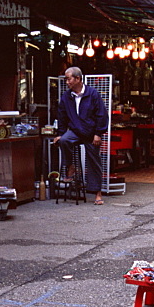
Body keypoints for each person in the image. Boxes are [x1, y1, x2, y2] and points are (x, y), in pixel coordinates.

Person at [54, 67, 108, 205]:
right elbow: (62, 117)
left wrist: (98, 133)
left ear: (78, 79)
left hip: (91, 132)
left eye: (69, 79)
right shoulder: (66, 96)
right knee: (64, 140)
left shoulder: (92, 94)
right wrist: (60, 134)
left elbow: (101, 115)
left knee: (94, 161)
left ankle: (97, 193)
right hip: (75, 131)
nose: (67, 82)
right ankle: (70, 166)